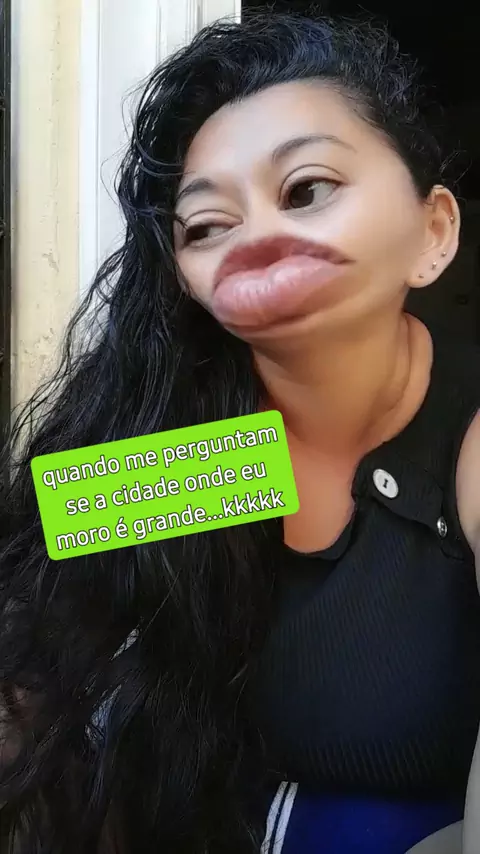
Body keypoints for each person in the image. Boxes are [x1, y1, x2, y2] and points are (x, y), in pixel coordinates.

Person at [1, 10, 480, 854]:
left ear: (433, 231)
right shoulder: (203, 451)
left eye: (306, 189)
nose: (254, 236)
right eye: (207, 226)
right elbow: (27, 671)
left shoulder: (468, 434)